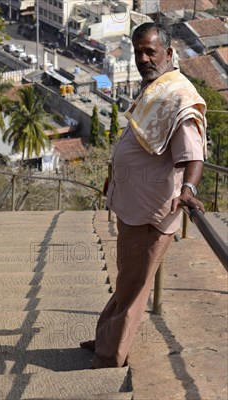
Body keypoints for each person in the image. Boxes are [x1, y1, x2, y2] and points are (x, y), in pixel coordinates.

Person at [80, 23, 207, 368]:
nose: (143, 59)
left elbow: (193, 154)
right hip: (133, 205)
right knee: (128, 279)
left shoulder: (179, 95)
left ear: (168, 53)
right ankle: (106, 338)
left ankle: (110, 356)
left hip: (152, 212)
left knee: (136, 288)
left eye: (151, 52)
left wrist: (189, 190)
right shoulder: (158, 88)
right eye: (139, 52)